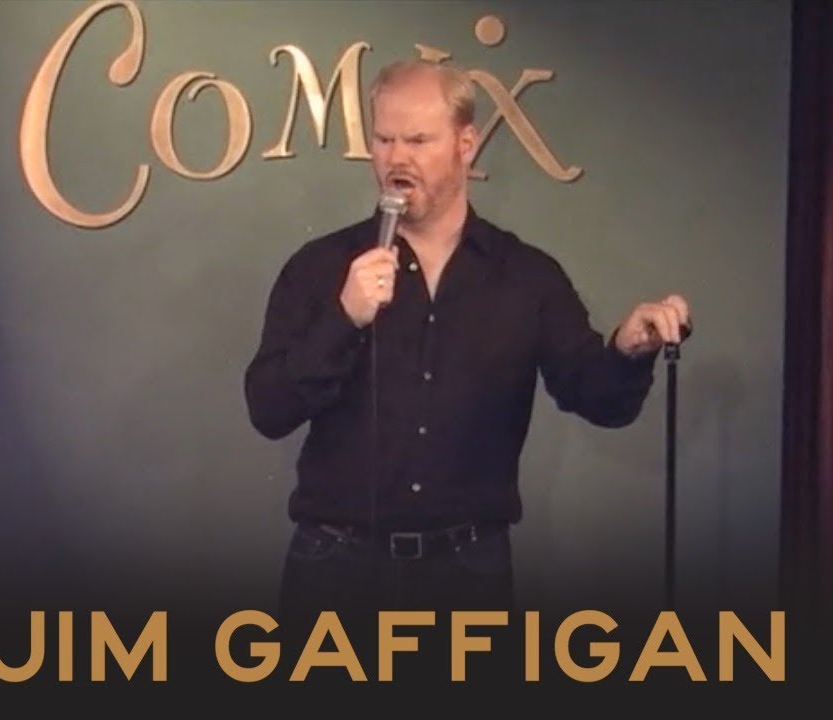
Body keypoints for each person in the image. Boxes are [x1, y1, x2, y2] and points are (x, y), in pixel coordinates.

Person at [243, 60, 689, 629]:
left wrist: (628, 349)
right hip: (337, 568)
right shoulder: (321, 268)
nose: (396, 159)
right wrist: (344, 317)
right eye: (384, 139)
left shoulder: (525, 276)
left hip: (466, 573)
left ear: (466, 144)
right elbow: (268, 409)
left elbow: (598, 398)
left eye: (418, 140)